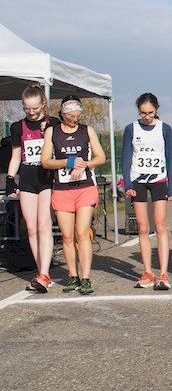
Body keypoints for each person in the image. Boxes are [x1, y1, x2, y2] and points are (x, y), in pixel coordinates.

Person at [41, 95, 106, 295]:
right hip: (62, 189)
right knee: (67, 236)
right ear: (63, 114)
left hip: (85, 187)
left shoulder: (87, 131)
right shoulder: (52, 132)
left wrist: (84, 164)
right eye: (71, 116)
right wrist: (68, 162)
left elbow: (100, 157)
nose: (74, 119)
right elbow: (45, 161)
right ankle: (73, 275)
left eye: (78, 116)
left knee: (82, 232)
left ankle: (85, 278)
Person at [6, 85, 60, 292]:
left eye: (35, 109)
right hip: (28, 178)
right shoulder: (18, 127)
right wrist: (11, 178)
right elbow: (16, 155)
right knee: (31, 227)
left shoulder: (53, 124)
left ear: (43, 105)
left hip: (47, 178)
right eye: (27, 108)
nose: (31, 112)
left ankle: (44, 273)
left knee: (44, 223)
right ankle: (42, 272)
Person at [122, 93, 172, 290]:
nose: (146, 117)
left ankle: (163, 273)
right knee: (143, 227)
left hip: (159, 180)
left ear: (157, 110)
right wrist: (127, 183)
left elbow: (170, 157)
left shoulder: (164, 129)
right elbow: (126, 157)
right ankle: (147, 272)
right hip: (138, 181)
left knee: (160, 226)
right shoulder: (131, 129)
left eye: (150, 113)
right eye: (143, 113)